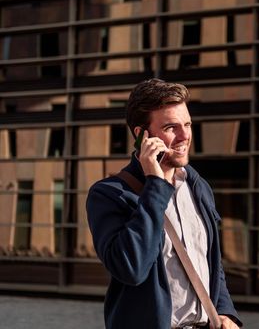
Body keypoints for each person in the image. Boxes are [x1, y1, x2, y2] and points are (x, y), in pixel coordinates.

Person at [86, 78, 242, 329]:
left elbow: (210, 260)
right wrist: (155, 185)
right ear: (141, 135)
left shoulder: (196, 185)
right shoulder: (109, 195)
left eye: (188, 124)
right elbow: (131, 268)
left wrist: (225, 311)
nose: (185, 136)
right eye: (172, 127)